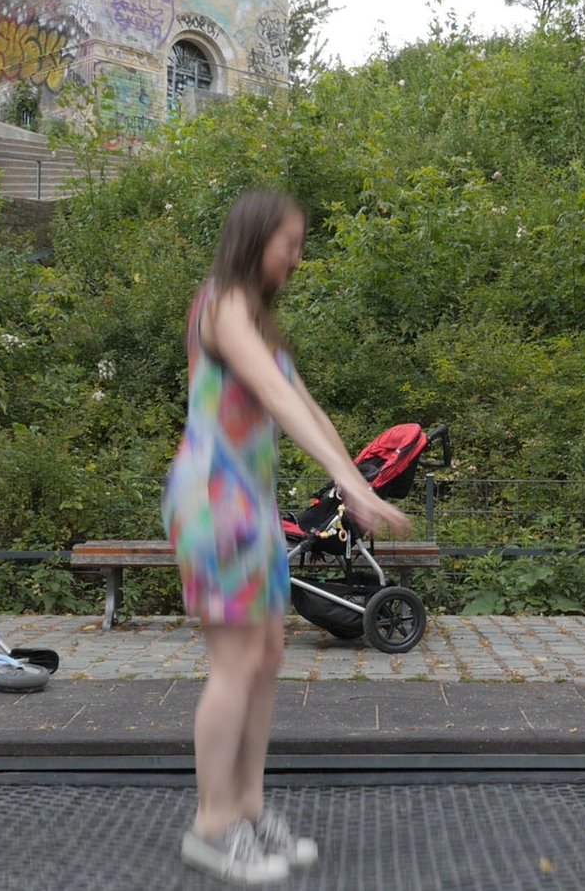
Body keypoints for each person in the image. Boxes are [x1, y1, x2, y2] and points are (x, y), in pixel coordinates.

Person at [162, 189, 413, 884]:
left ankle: (245, 807)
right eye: (289, 245)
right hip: (214, 501)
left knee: (267, 655)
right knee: (237, 663)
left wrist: (354, 482)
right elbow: (271, 401)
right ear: (254, 240)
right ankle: (211, 828)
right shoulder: (221, 304)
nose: (297, 258)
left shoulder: (263, 326)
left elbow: (305, 407)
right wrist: (347, 483)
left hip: (251, 503)